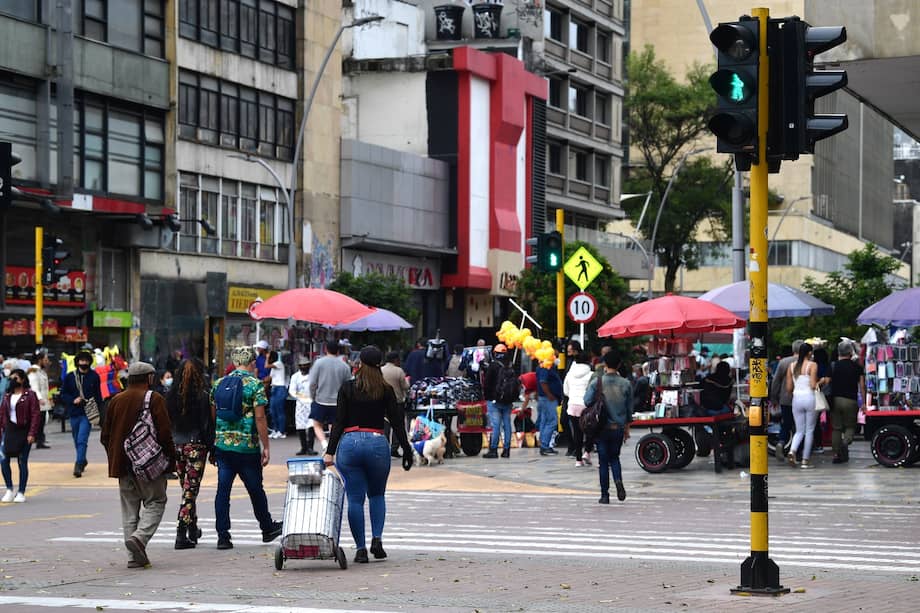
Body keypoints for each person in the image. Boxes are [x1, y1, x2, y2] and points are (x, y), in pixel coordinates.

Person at [323, 346, 413, 563]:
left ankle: (361, 549)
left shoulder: (348, 388)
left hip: (350, 443)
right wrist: (407, 449)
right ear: (379, 364)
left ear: (360, 363)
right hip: (377, 443)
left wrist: (329, 452)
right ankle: (377, 540)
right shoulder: (385, 389)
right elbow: (398, 423)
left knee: (355, 498)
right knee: (377, 495)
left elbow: (339, 422)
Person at [100, 361, 177, 568]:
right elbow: (164, 433)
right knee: (156, 501)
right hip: (149, 466)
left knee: (129, 510)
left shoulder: (116, 400)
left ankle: (133, 558)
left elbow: (105, 435)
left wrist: (116, 457)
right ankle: (140, 539)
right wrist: (171, 460)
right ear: (149, 378)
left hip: (122, 466)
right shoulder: (154, 398)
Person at [210, 346, 282, 550]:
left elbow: (213, 415)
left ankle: (223, 536)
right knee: (255, 489)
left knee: (222, 491)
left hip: (223, 446)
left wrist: (217, 439)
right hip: (247, 448)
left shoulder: (219, 383)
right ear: (251, 363)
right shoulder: (254, 385)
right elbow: (260, 417)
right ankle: (267, 528)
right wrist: (265, 446)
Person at [165, 358, 214, 549]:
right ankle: (180, 533)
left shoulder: (170, 396)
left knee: (187, 490)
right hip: (196, 447)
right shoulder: (203, 396)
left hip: (177, 447)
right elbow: (206, 426)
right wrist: (212, 448)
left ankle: (192, 529)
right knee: (190, 492)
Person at [583, 350, 633, 504]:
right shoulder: (626, 384)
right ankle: (618, 480)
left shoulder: (597, 382)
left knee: (603, 461)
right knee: (615, 458)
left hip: (600, 428)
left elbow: (586, 401)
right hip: (617, 427)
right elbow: (629, 410)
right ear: (619, 365)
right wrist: (626, 428)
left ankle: (605, 495)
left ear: (605, 364)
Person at [60, 350, 104, 478]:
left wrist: (100, 413)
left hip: (88, 412)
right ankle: (83, 459)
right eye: (81, 361)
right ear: (77, 362)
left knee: (82, 439)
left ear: (90, 362)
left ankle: (78, 464)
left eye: (86, 361)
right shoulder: (70, 377)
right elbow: (64, 394)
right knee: (76, 439)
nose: (83, 363)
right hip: (74, 412)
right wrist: (73, 400)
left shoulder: (94, 376)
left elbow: (98, 396)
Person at [1, 369, 41, 503]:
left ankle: (21, 491)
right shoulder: (7, 396)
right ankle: (9, 489)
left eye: (16, 378)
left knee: (22, 461)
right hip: (9, 431)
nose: (13, 381)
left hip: (24, 431)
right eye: (11, 378)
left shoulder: (30, 395)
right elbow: (2, 414)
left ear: (23, 380)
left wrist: (32, 433)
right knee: (3, 459)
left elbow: (36, 414)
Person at [308, 341, 353, 453]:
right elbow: (348, 385)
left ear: (325, 350)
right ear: (338, 351)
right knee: (334, 425)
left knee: (317, 424)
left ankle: (324, 444)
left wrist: (313, 396)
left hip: (320, 399)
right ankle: (333, 447)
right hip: (338, 401)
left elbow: (312, 383)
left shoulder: (318, 363)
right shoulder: (344, 366)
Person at [827, 340, 865, 464]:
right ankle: (845, 442)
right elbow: (862, 386)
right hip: (851, 400)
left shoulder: (833, 366)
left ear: (839, 352)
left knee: (836, 428)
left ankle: (837, 453)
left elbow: (827, 382)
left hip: (835, 400)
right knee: (850, 426)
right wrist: (864, 403)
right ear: (850, 352)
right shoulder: (857, 367)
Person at [769, 340, 803, 462]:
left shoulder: (783, 362)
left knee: (786, 424)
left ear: (793, 349)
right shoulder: (807, 362)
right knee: (800, 427)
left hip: (785, 399)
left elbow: (776, 381)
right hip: (802, 398)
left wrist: (774, 397)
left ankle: (781, 442)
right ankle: (797, 452)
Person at [785, 342, 818, 469]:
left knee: (799, 430)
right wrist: (823, 381)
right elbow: (813, 385)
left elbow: (788, 388)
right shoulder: (812, 365)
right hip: (810, 398)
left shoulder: (792, 366)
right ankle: (805, 460)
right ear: (809, 353)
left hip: (796, 399)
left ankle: (792, 451)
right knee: (809, 430)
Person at [482, 344, 516, 459]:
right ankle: (506, 450)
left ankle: (493, 450)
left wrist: (487, 397)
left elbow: (486, 384)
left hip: (494, 401)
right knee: (507, 424)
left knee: (496, 425)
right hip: (508, 401)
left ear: (495, 353)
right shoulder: (510, 365)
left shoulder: (493, 366)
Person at [563, 352, 594, 467]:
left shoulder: (570, 374)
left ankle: (578, 460)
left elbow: (565, 391)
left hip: (572, 406)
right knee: (591, 430)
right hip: (586, 406)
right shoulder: (591, 374)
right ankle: (587, 452)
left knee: (577, 432)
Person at [381, 351, 409, 458]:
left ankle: (384, 448)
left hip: (382, 403)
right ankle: (394, 448)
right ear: (395, 360)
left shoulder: (380, 370)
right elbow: (405, 386)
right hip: (397, 403)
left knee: (385, 427)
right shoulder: (399, 371)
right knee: (398, 427)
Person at [288, 356, 317, 456]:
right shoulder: (295, 376)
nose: (304, 367)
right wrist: (301, 397)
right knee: (300, 426)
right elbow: (292, 390)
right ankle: (303, 447)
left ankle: (310, 448)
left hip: (312, 402)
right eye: (302, 366)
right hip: (300, 404)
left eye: (306, 365)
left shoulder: (313, 376)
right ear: (299, 366)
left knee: (312, 425)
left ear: (309, 366)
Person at [536, 360, 563, 456]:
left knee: (545, 421)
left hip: (545, 398)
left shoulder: (544, 366)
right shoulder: (545, 367)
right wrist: (549, 394)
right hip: (548, 398)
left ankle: (544, 444)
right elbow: (543, 382)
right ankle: (545, 445)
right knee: (552, 421)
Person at [27, 350, 52, 449]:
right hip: (38, 402)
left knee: (41, 421)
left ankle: (40, 440)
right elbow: (34, 387)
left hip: (43, 401)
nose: (47, 362)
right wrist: (40, 399)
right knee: (38, 422)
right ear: (40, 360)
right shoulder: (33, 372)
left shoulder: (41, 371)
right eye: (45, 360)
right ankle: (38, 440)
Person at [266, 350, 287, 439]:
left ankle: (281, 431)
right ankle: (275, 429)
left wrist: (266, 358)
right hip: (274, 388)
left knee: (280, 411)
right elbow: (270, 378)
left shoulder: (279, 363)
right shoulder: (274, 368)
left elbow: (266, 366)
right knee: (272, 411)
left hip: (280, 388)